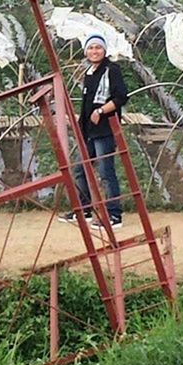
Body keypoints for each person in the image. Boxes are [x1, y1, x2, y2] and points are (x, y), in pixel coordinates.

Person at [60, 34, 128, 229]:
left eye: (98, 48)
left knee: (106, 171)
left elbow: (121, 97)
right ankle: (84, 209)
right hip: (88, 130)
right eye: (91, 48)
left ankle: (114, 214)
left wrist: (101, 110)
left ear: (105, 50)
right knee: (80, 170)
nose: (94, 51)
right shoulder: (89, 71)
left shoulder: (111, 70)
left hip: (104, 129)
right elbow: (86, 104)